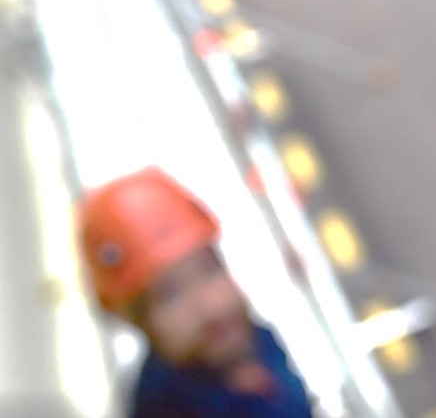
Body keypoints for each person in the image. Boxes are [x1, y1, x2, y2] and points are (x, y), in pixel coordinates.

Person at [79, 167, 313, 418]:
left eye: (209, 269)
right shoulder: (167, 406)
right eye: (170, 295)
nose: (210, 305)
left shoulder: (251, 345)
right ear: (138, 320)